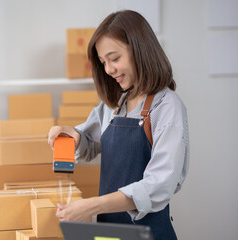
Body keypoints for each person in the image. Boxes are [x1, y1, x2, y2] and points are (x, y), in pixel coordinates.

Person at [48, 10, 189, 240]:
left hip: (149, 234)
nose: (108, 70)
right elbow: (89, 141)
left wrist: (93, 205)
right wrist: (70, 135)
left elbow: (158, 185)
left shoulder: (167, 107)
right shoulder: (114, 104)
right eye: (103, 62)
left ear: (140, 50)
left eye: (114, 59)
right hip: (109, 233)